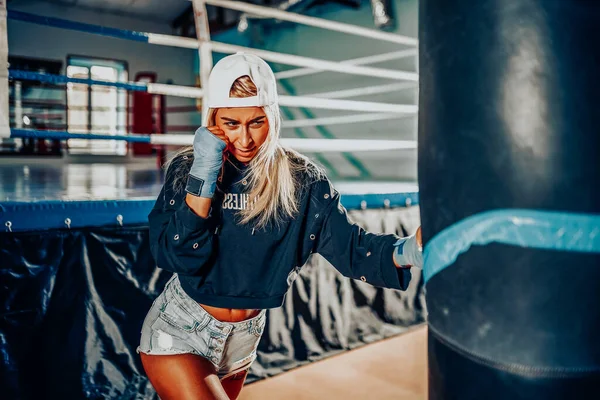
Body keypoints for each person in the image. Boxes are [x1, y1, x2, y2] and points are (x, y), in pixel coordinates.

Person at [137, 52, 423, 400]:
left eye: (256, 122)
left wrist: (409, 250)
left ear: (272, 117)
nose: (244, 140)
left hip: (243, 338)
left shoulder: (302, 181)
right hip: (180, 329)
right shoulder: (188, 168)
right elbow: (175, 255)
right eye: (230, 123)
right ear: (213, 120)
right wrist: (204, 174)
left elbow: (351, 249)